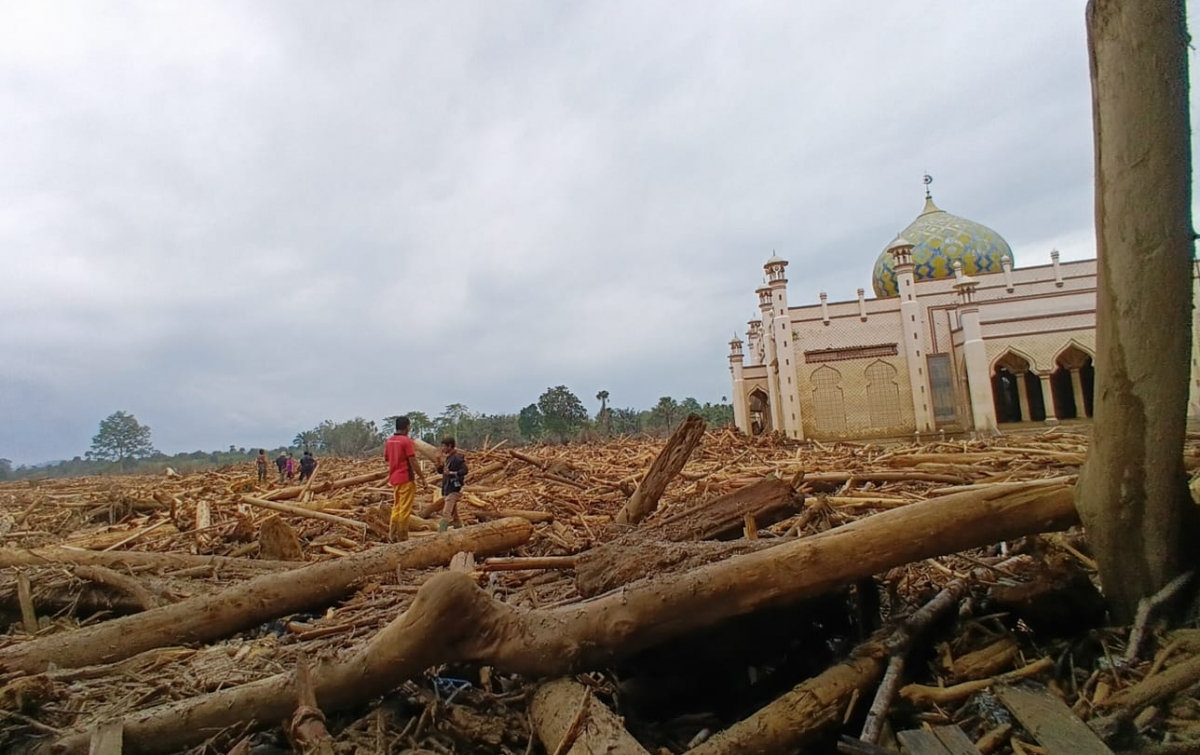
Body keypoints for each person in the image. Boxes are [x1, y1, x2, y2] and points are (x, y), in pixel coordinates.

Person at [384, 416, 427, 541]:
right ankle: (402, 536)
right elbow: (413, 461)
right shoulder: (406, 441)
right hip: (406, 478)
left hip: (394, 478)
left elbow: (387, 458)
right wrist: (422, 477)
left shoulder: (389, 441)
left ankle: (392, 535)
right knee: (404, 508)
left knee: (396, 506)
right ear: (407, 427)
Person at [435, 437, 468, 532]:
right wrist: (438, 459)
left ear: (450, 446)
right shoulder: (449, 458)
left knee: (446, 513)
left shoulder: (457, 458)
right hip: (448, 488)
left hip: (454, 489)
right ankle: (460, 531)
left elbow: (465, 470)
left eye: (444, 446)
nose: (442, 448)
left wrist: (452, 473)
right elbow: (441, 471)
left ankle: (441, 535)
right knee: (454, 514)